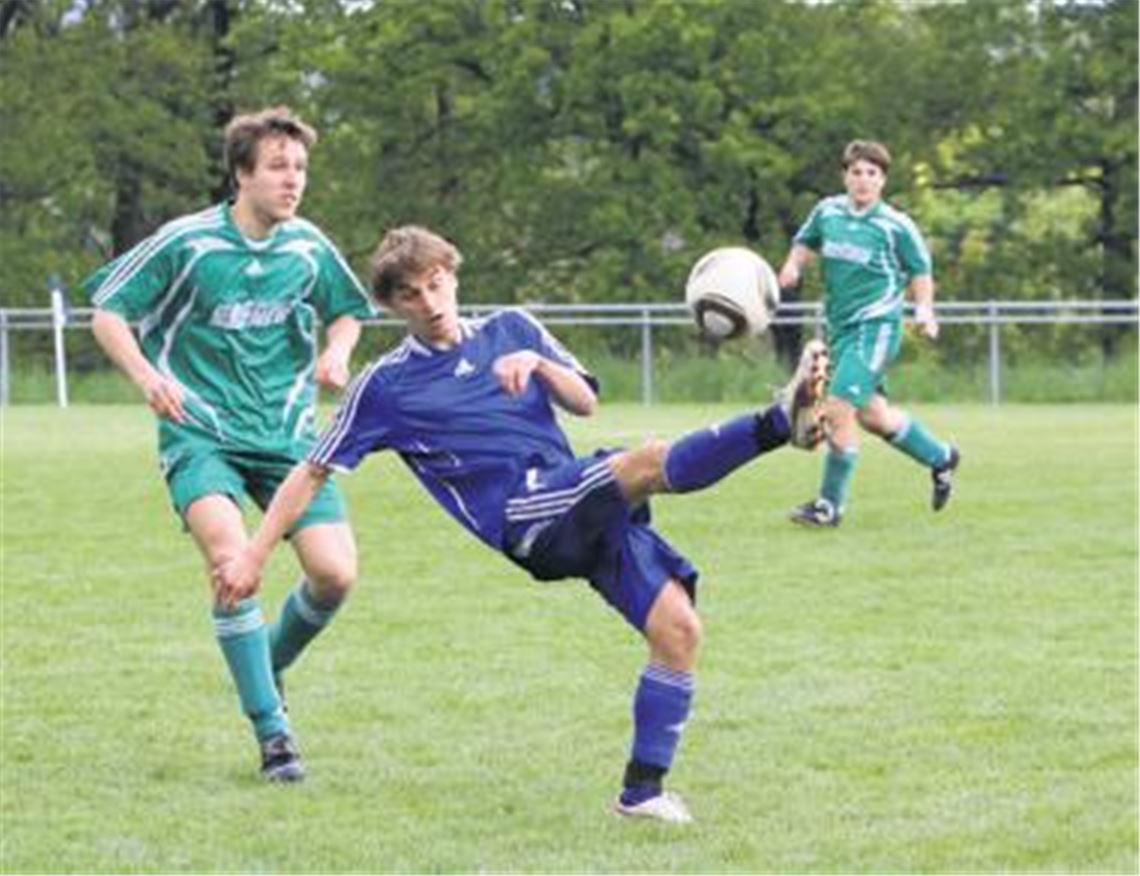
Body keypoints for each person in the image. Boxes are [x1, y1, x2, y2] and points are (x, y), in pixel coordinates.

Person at [214, 225, 827, 822]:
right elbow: (312, 471)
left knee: (679, 629)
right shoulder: (386, 385)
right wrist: (254, 554)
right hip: (524, 518)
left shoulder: (513, 327)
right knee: (642, 462)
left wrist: (537, 363)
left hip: (575, 496)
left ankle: (641, 795)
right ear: (391, 305)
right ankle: (779, 423)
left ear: (453, 276)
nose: (430, 303)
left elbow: (585, 400)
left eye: (435, 283)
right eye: (411, 294)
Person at [85, 106, 375, 782]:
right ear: (241, 174)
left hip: (287, 436)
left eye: (299, 167)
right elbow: (108, 310)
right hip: (200, 432)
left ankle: (263, 670)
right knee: (229, 559)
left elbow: (347, 310)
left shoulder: (307, 246)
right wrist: (147, 377)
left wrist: (336, 352)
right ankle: (274, 736)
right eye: (277, 167)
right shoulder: (187, 242)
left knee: (335, 574)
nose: (292, 180)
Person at [777, 139, 960, 528]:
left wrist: (924, 311)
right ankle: (941, 457)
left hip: (875, 329)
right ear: (845, 176)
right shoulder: (827, 212)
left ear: (882, 181)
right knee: (874, 417)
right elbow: (804, 243)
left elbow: (920, 271)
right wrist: (792, 267)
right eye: (856, 172)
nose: (863, 180)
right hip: (840, 330)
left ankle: (829, 507)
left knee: (838, 409)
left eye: (871, 173)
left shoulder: (895, 225)